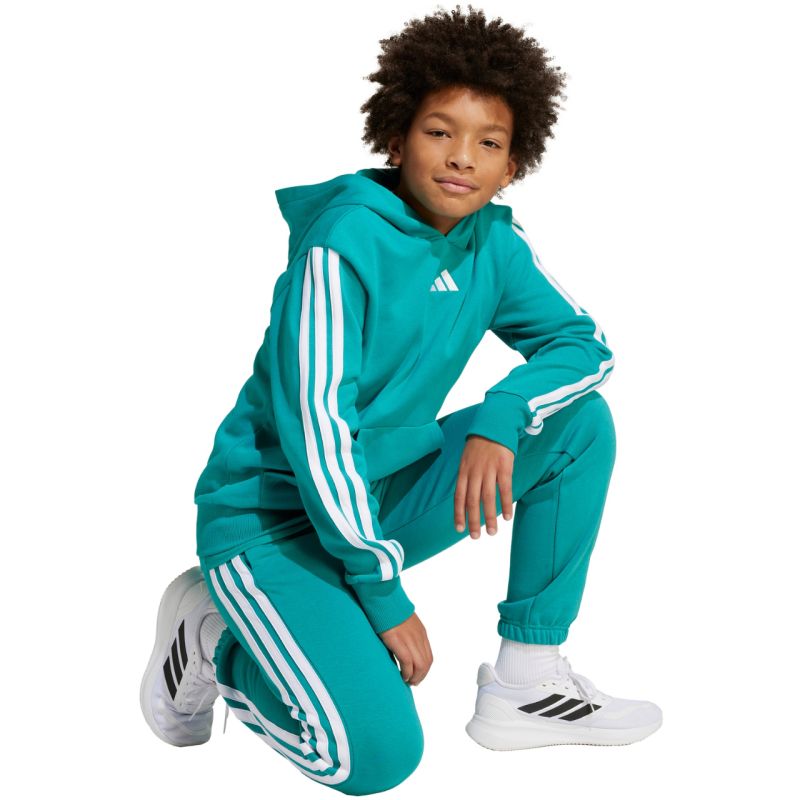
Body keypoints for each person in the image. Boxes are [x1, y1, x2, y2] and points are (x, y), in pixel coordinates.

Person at [140, 4, 662, 793]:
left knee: (576, 423)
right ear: (395, 137)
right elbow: (317, 430)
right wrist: (383, 595)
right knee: (374, 759)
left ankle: (527, 679)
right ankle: (215, 639)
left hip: (379, 499)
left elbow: (581, 345)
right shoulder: (341, 243)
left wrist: (502, 414)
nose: (461, 158)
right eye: (439, 132)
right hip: (274, 523)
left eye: (489, 143)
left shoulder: (494, 243)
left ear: (513, 165)